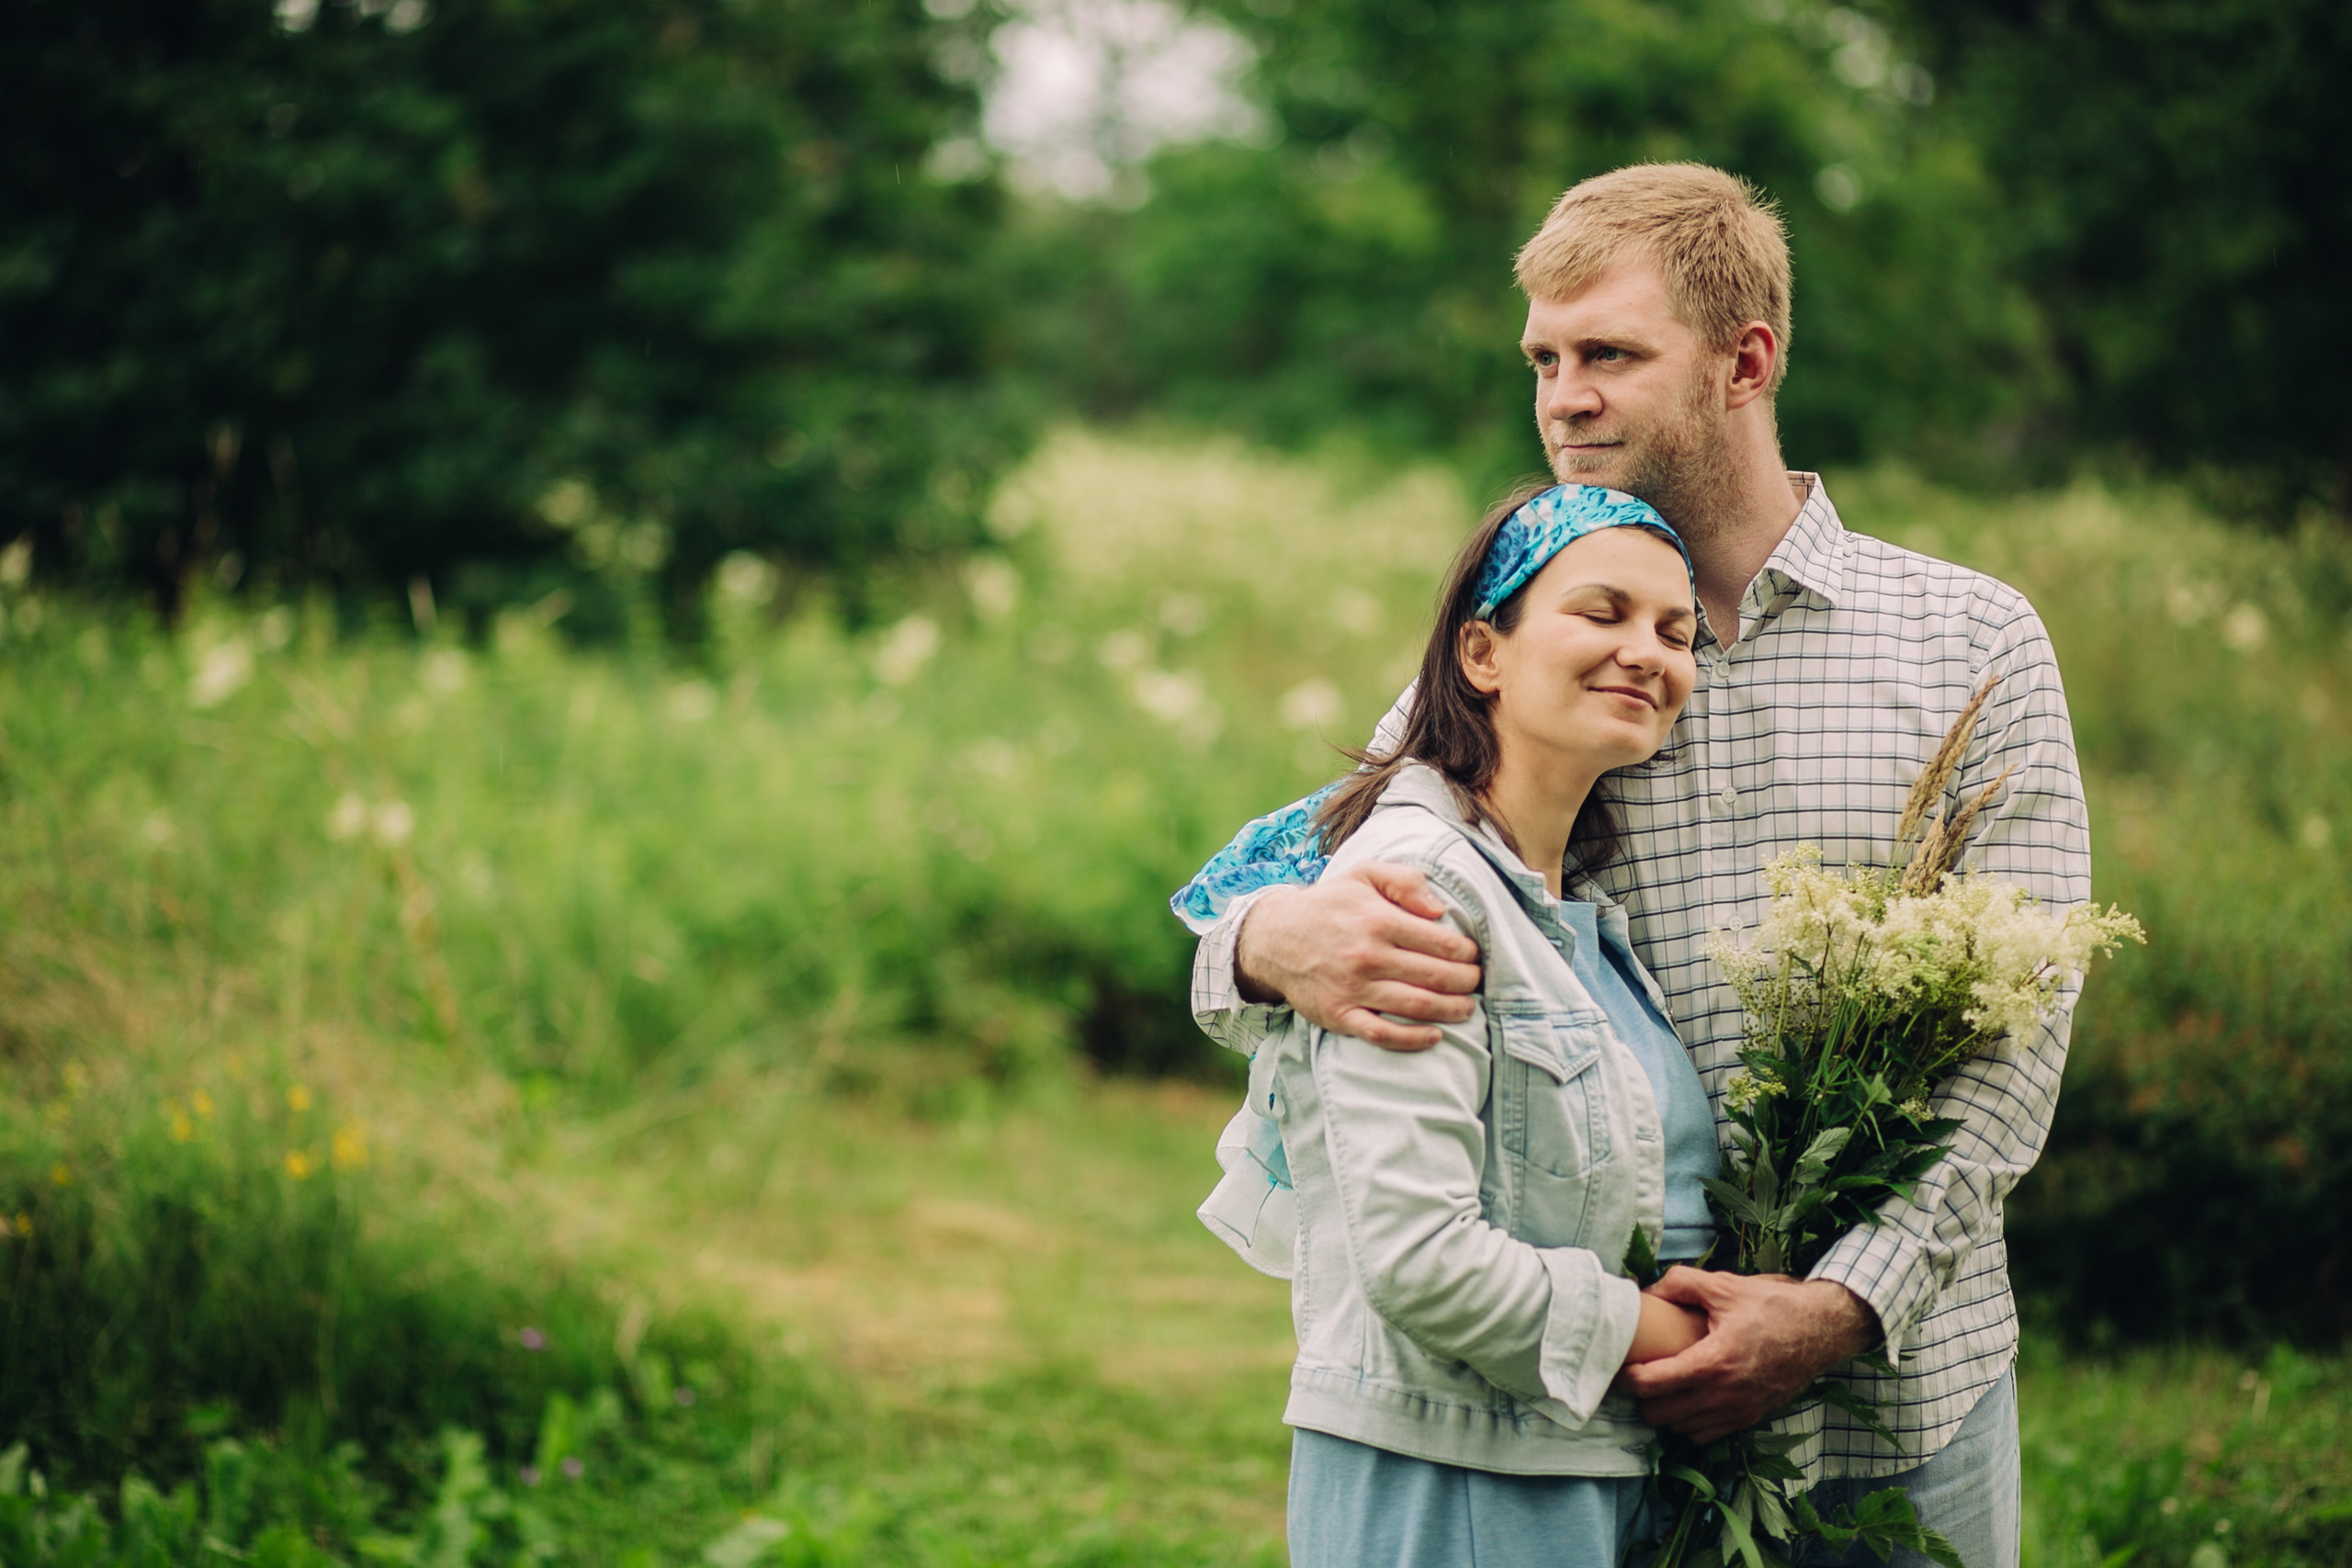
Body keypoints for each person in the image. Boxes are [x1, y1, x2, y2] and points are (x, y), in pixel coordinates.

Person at [1177, 164, 2090, 1568]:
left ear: (1747, 360)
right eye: (1544, 357)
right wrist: (1262, 941)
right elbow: (1344, 856)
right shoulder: (1550, 644)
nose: (1563, 396)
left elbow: (2017, 1049)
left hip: (1907, 1388)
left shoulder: (1968, 643)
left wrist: (1839, 1306)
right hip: (1620, 1414)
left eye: (1608, 353)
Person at [1231, 480, 1721, 1568]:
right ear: (1481, 653)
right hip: (1448, 1483)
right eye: (1603, 613)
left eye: (1675, 631)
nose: (1647, 651)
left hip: (1571, 1468)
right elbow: (1419, 1259)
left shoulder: (1569, 914)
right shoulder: (1418, 891)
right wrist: (1682, 1342)